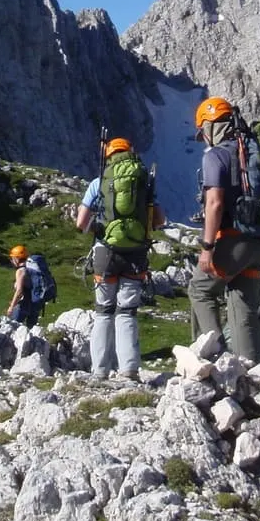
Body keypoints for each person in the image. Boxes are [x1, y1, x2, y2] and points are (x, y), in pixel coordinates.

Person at [187, 97, 260, 361]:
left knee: (200, 289)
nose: (204, 139)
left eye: (203, 132)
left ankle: (214, 361)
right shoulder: (254, 149)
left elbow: (214, 204)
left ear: (210, 126)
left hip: (233, 240)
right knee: (243, 304)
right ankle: (249, 371)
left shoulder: (217, 155)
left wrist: (207, 248)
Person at [75, 137, 165, 380]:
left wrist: (99, 226)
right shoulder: (143, 182)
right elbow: (159, 221)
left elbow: (80, 223)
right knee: (127, 312)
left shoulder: (99, 182)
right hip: (135, 254)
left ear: (108, 156)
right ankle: (129, 370)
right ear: (130, 153)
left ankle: (100, 371)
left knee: (103, 312)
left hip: (105, 253)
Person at [5, 245, 41, 326]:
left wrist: (11, 307)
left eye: (12, 258)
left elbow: (19, 291)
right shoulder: (31, 268)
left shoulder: (21, 270)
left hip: (24, 305)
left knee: (13, 327)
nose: (11, 260)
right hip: (36, 304)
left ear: (17, 258)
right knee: (31, 331)